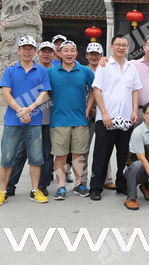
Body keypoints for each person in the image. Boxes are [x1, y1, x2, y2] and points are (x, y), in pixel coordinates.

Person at [0, 36, 51, 206]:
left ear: (35, 51)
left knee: (36, 158)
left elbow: (44, 93)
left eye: (30, 48)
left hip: (34, 120)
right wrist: (19, 110)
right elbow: (6, 93)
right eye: (24, 48)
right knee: (7, 157)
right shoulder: (10, 70)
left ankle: (35, 190)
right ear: (18, 50)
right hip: (13, 121)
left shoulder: (41, 71)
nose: (27, 51)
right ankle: (3, 191)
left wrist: (30, 109)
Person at [89, 35, 143, 201]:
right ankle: (96, 187)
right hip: (106, 118)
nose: (121, 47)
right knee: (101, 154)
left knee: (124, 155)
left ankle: (122, 185)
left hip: (126, 118)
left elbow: (135, 90)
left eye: (124, 45)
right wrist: (104, 113)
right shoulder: (104, 66)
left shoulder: (131, 67)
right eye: (118, 44)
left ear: (127, 48)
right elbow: (97, 90)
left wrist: (134, 111)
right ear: (111, 46)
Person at [6, 41, 55, 197]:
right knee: (20, 153)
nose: (46, 54)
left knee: (45, 154)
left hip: (47, 119)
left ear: (54, 54)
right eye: (43, 51)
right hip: (27, 118)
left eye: (50, 52)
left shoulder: (56, 71)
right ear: (37, 53)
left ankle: (42, 185)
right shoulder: (28, 68)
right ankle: (9, 185)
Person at [47, 41, 95, 200]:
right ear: (59, 53)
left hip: (80, 119)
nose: (69, 53)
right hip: (58, 120)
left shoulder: (85, 71)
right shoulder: (50, 72)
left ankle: (79, 184)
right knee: (60, 155)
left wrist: (88, 107)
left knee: (79, 154)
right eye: (65, 50)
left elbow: (96, 89)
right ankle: (61, 186)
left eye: (72, 50)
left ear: (76, 53)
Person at [83, 42, 115, 190]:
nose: (94, 57)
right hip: (87, 115)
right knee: (83, 150)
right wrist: (89, 110)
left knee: (104, 148)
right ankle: (82, 181)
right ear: (86, 55)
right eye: (91, 54)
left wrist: (101, 112)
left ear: (102, 55)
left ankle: (107, 178)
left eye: (97, 54)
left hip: (104, 114)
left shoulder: (107, 69)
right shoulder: (82, 71)